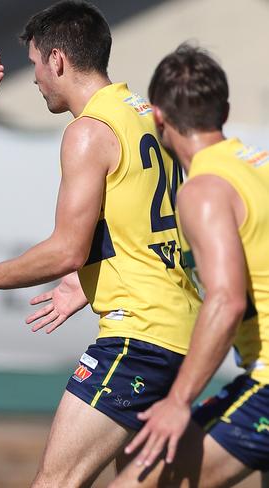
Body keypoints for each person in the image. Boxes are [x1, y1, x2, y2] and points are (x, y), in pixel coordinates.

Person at [0, 2, 201, 486]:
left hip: (140, 335)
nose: (35, 80)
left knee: (56, 481)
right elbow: (144, 226)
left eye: (34, 65)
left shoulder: (88, 131)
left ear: (58, 61)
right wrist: (87, 282)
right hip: (183, 331)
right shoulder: (150, 117)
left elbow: (66, 249)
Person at [110, 45, 269, 487]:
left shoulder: (203, 189)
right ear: (226, 110)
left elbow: (226, 300)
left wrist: (179, 400)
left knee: (135, 478)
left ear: (158, 117)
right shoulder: (259, 167)